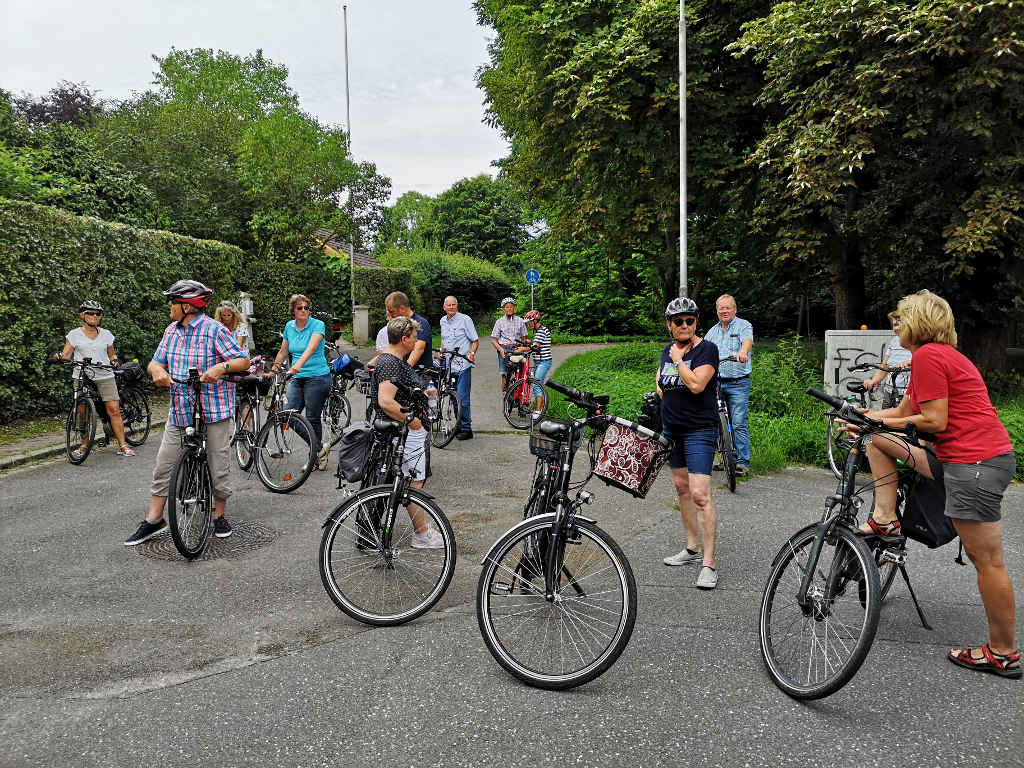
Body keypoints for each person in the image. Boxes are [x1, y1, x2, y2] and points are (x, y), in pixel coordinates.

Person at [843, 290, 1018, 679]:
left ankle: (1002, 653)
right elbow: (905, 413)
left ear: (920, 322)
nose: (897, 325)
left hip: (974, 462)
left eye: (902, 319)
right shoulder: (937, 357)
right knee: (874, 437)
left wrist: (877, 423)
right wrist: (866, 415)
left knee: (987, 561)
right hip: (977, 458)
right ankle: (885, 516)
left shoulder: (929, 356)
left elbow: (935, 421)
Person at [124, 280, 249, 546]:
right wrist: (156, 370)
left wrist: (221, 368)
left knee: (218, 465)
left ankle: (218, 515)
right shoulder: (171, 331)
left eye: (172, 302)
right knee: (163, 465)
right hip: (180, 408)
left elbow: (243, 360)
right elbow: (155, 362)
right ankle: (154, 519)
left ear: (187, 306)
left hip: (213, 408)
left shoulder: (214, 330)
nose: (169, 306)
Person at [657, 297, 721, 590]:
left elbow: (696, 384)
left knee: (700, 494)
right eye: (678, 321)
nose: (684, 326)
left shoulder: (707, 349)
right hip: (673, 430)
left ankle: (709, 563)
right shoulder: (666, 352)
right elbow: (660, 386)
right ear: (669, 325)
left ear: (696, 322)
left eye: (690, 321)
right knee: (681, 488)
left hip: (699, 430)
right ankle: (692, 548)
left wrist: (680, 362)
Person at [371, 316, 443, 548]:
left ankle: (377, 530)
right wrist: (411, 421)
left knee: (403, 482)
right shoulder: (391, 362)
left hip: (405, 431)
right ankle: (422, 534)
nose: (416, 340)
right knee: (414, 484)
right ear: (404, 339)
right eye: (413, 337)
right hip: (404, 432)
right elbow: (385, 400)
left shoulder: (393, 360)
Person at [56, 299, 135, 458]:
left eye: (97, 313)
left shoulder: (106, 334)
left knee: (114, 410)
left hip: (104, 375)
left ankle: (123, 445)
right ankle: (84, 445)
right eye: (90, 313)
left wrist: (114, 361)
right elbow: (66, 355)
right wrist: (59, 357)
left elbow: (111, 354)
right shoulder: (74, 335)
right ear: (82, 315)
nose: (94, 316)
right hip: (82, 375)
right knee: (82, 411)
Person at [270, 294, 332, 470]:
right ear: (293, 311)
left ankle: (313, 457)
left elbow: (311, 348)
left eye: (306, 307)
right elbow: (283, 352)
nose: (304, 310)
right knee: (289, 416)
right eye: (300, 308)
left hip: (317, 377)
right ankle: (319, 450)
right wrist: (273, 370)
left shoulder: (318, 325)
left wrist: (297, 365)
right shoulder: (289, 326)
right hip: (297, 378)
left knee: (312, 418)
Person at [703, 294, 753, 475]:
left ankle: (742, 462)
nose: (724, 311)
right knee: (716, 421)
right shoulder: (712, 332)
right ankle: (726, 458)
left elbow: (748, 341)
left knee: (738, 422)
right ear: (717, 311)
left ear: (735, 309)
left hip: (738, 382)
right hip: (716, 383)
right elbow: (703, 349)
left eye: (728, 307)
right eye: (721, 308)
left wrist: (743, 351)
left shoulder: (743, 326)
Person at [438, 296, 479, 440]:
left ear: (457, 306)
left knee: (462, 397)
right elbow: (444, 341)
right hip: (449, 364)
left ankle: (467, 429)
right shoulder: (443, 321)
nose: (451, 307)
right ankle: (458, 426)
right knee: (453, 397)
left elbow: (475, 340)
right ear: (444, 307)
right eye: (448, 305)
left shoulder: (465, 319)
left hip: (462, 364)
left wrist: (472, 353)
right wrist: (440, 352)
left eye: (453, 304)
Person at [369, 292, 431, 367]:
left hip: (420, 375)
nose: (390, 315)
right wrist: (375, 361)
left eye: (391, 311)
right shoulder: (399, 324)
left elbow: (418, 349)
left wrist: (405, 371)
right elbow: (393, 349)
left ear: (402, 308)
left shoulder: (421, 323)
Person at [862, 311, 911, 401]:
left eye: (896, 325)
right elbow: (885, 366)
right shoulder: (894, 341)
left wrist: (910, 362)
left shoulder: (918, 342)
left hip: (907, 394)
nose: (894, 329)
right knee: (885, 415)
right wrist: (873, 381)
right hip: (890, 392)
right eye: (893, 325)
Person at [490, 297, 527, 391]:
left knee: (520, 374)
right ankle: (505, 397)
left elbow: (524, 338)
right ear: (503, 309)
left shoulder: (520, 321)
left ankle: (518, 396)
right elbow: (494, 340)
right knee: (504, 374)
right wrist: (501, 350)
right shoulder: (499, 322)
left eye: (511, 306)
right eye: (507, 307)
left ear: (514, 308)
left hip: (517, 349)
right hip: (504, 349)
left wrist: (523, 348)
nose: (509, 308)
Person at [524, 309, 551, 412]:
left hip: (543, 362)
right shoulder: (539, 331)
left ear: (535, 321)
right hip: (539, 362)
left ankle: (538, 411)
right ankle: (543, 409)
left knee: (536, 385)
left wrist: (523, 348)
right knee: (539, 385)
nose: (528, 325)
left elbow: (535, 346)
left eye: (529, 322)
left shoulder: (541, 331)